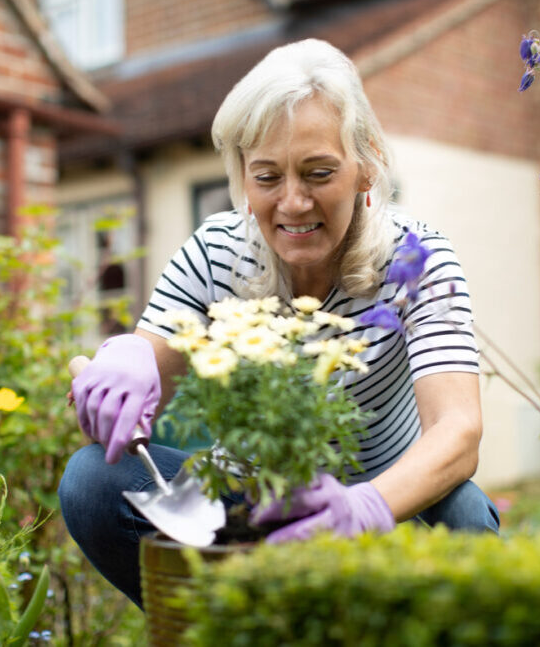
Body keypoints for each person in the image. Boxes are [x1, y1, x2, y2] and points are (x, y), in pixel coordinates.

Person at [59, 38, 500, 609]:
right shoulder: (216, 252)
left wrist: (364, 508)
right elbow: (144, 393)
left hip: (386, 508)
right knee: (94, 481)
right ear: (242, 175)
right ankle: (226, 632)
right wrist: (126, 363)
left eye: (318, 173)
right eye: (266, 177)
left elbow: (458, 432)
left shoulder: (417, 259)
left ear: (366, 166)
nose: (292, 203)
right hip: (249, 508)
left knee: (464, 514)